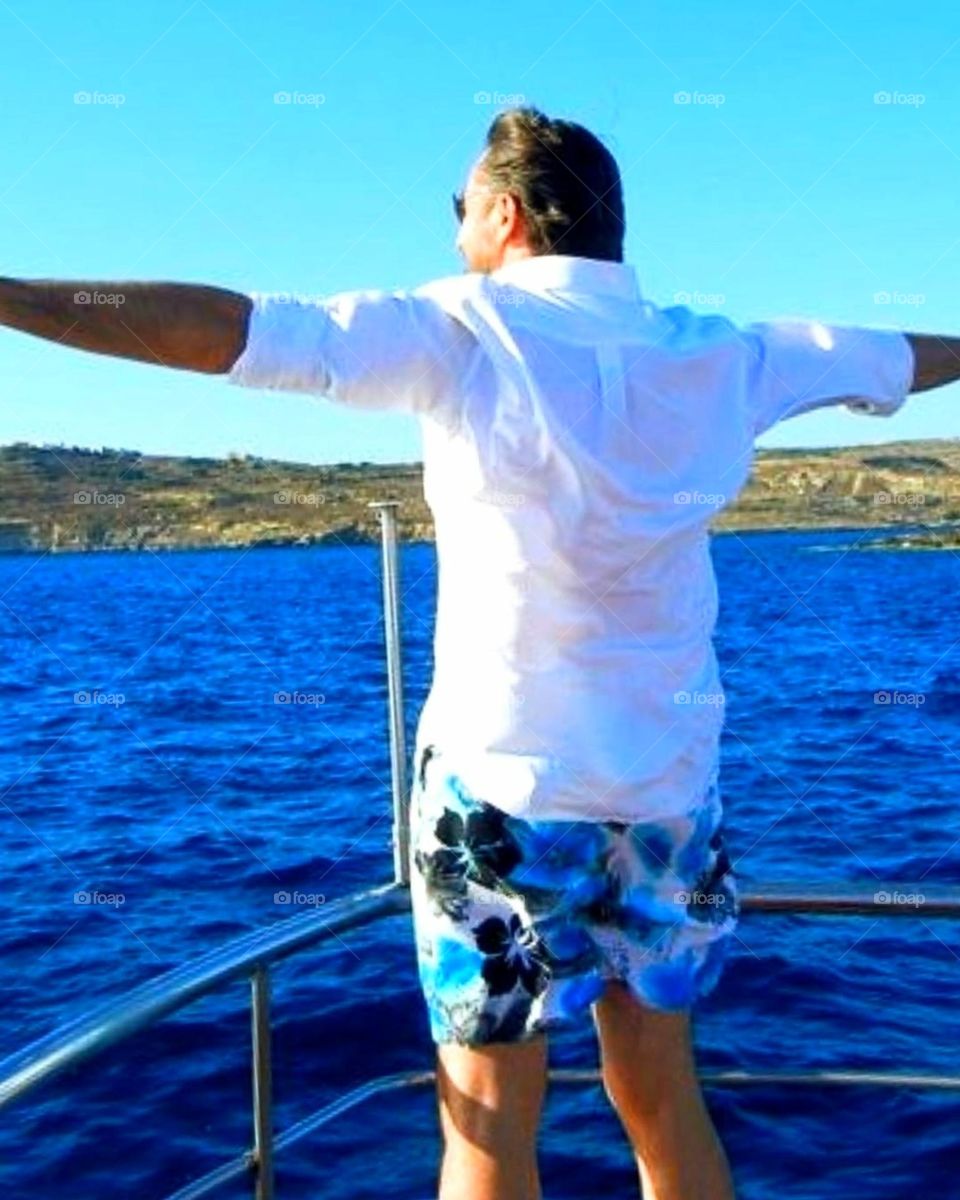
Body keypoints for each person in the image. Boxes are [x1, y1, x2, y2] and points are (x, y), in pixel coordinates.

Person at [1, 105, 958, 1200]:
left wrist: (14, 297)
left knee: (490, 1128)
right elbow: (903, 357)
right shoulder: (723, 353)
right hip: (667, 794)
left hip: (504, 791)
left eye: (460, 210)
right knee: (662, 1097)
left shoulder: (463, 329)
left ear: (504, 214)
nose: (456, 234)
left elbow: (230, 329)